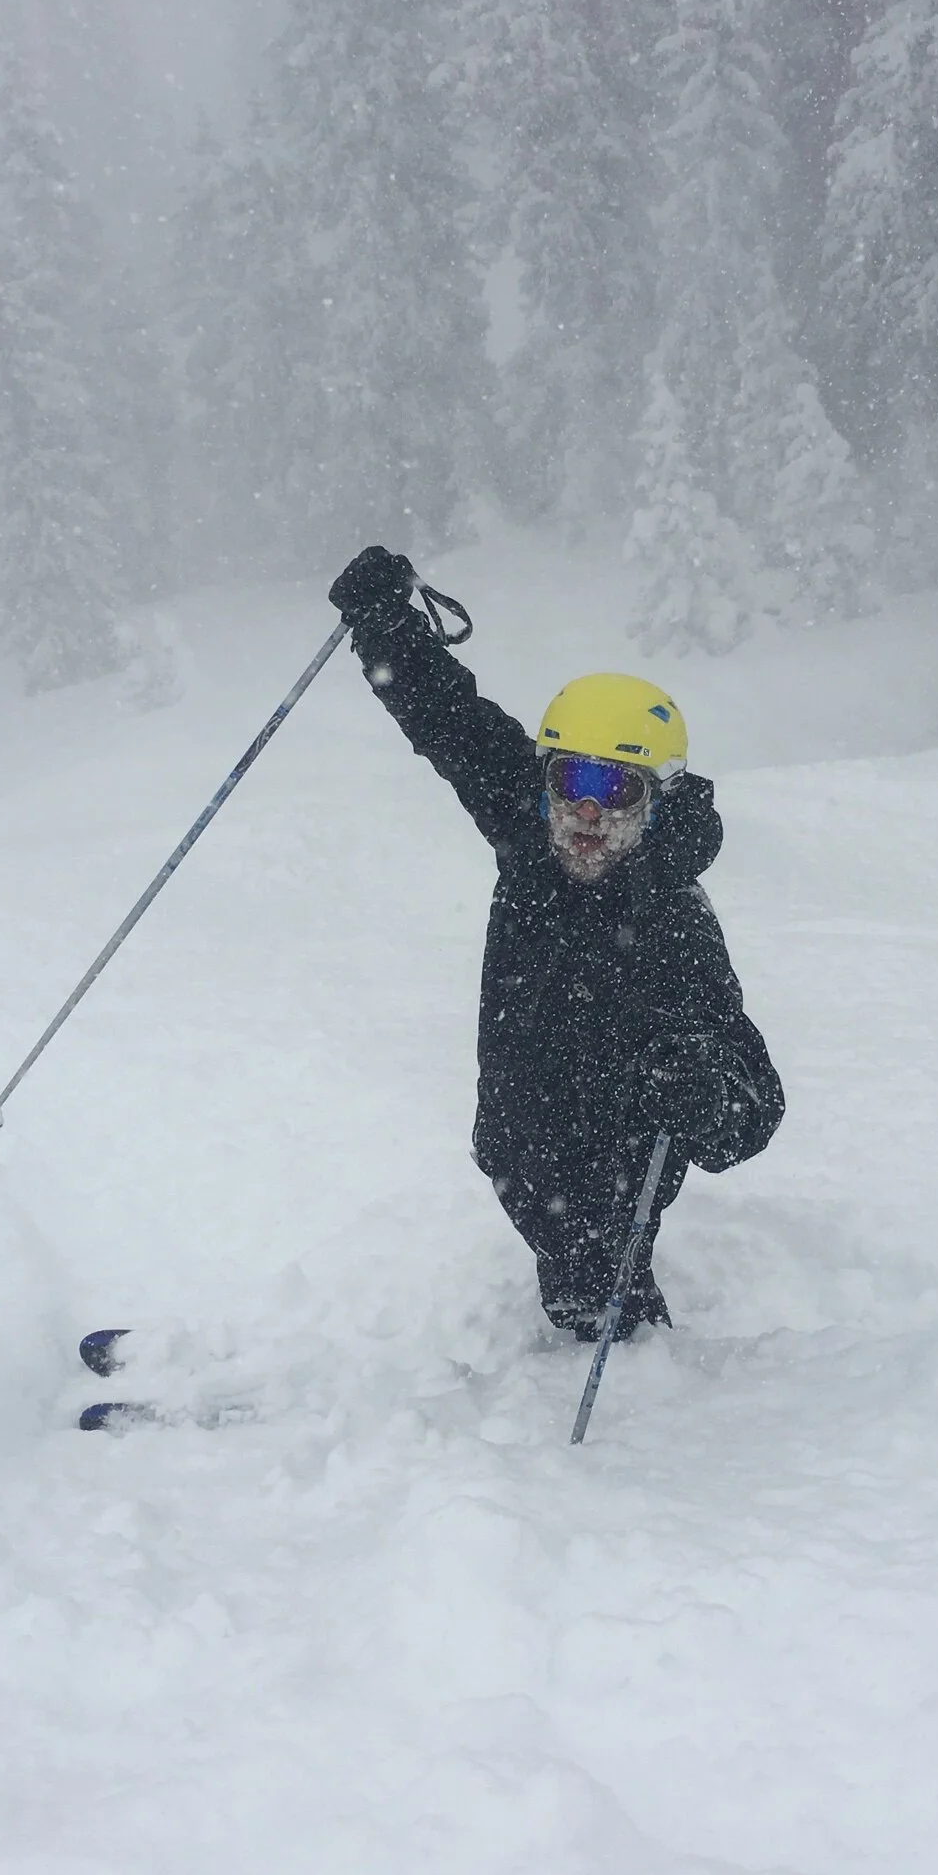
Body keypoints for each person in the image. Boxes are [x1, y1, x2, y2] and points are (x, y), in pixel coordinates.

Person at [329, 545, 784, 1339]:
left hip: (615, 1153)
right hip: (515, 1114)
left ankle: (623, 1341)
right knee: (524, 1184)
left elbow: (753, 1105)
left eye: (615, 789)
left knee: (595, 1278)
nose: (584, 812)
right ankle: (588, 1306)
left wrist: (703, 1088)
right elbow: (448, 717)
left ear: (657, 800)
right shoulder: (527, 820)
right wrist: (382, 623)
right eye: (570, 781)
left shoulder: (673, 918)